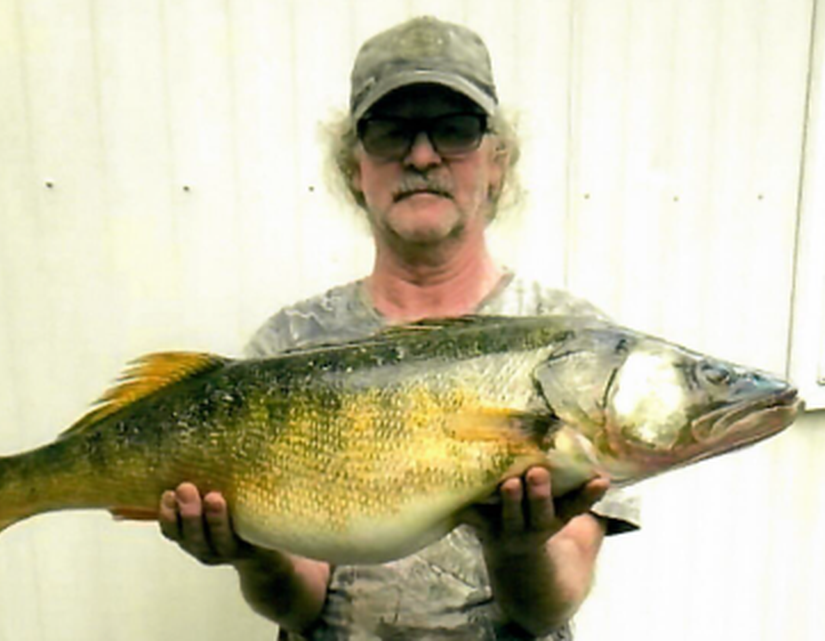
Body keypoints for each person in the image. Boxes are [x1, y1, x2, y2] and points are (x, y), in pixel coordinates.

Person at [157, 16, 640, 640]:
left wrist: (517, 548)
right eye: (390, 132)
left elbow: (549, 606)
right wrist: (254, 552)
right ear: (355, 168)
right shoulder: (290, 346)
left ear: (497, 162)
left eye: (454, 130)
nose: (421, 155)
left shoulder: (577, 355)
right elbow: (301, 605)